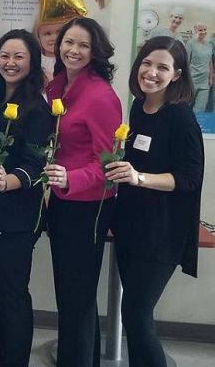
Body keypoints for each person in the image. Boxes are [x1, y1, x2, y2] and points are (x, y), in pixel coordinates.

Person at [105, 36, 203, 367]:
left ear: (177, 75)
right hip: (131, 225)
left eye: (163, 67)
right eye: (147, 63)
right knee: (131, 312)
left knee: (135, 314)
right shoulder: (140, 106)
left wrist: (140, 178)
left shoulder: (181, 116)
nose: (152, 72)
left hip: (162, 233)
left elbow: (190, 178)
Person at [0, 29, 53, 367]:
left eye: (19, 57)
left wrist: (11, 181)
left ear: (32, 63)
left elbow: (38, 163)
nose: (10, 62)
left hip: (16, 216)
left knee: (11, 296)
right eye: (4, 55)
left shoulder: (37, 110)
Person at [44, 16, 122, 367]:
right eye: (68, 43)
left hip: (87, 206)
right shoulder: (56, 87)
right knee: (72, 297)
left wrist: (70, 178)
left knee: (76, 297)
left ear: (95, 52)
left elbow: (108, 166)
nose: (74, 50)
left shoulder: (101, 96)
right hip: (60, 202)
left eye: (83, 45)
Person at [185, 22, 214, 111]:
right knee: (186, 106)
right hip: (192, 80)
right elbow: (186, 62)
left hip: (205, 82)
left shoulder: (209, 45)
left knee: (200, 108)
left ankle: (196, 124)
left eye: (205, 30)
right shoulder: (190, 44)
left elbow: (210, 63)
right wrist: (186, 80)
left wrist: (210, 78)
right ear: (195, 31)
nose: (203, 32)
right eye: (200, 30)